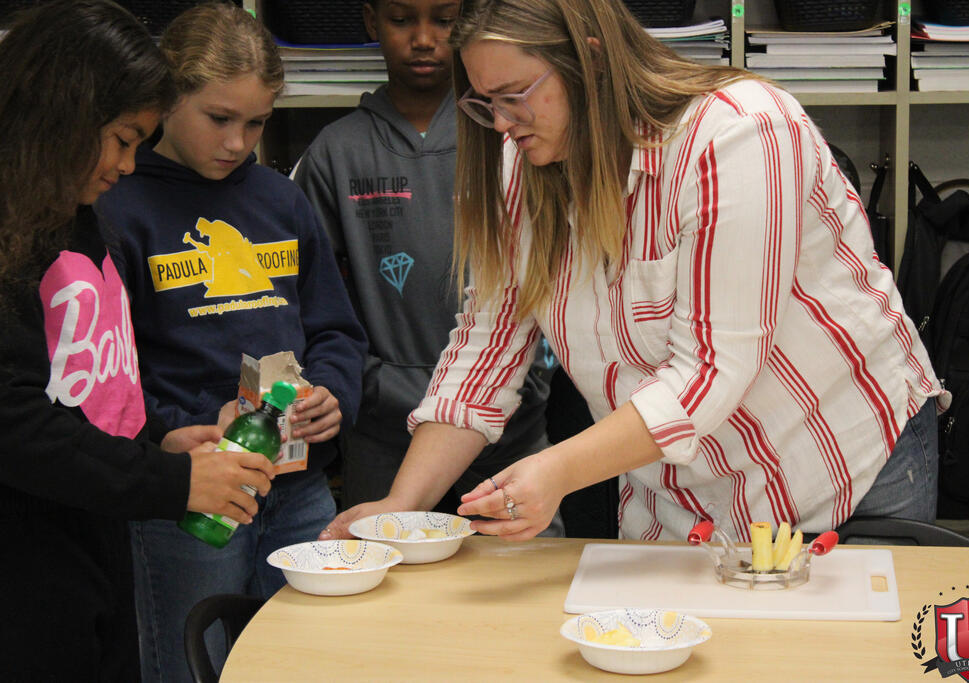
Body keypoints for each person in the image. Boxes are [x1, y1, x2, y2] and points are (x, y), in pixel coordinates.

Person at [321, 0, 949, 545]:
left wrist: (556, 472)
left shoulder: (738, 134)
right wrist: (400, 505)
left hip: (835, 466)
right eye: (487, 104)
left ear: (590, 62)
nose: (503, 125)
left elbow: (711, 370)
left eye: (513, 96)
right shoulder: (528, 165)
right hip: (683, 493)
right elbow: (485, 349)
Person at [0, 1, 278, 679]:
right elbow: (16, 420)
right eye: (122, 139)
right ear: (61, 118)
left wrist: (156, 439)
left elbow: (92, 385)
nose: (128, 165)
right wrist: (171, 479)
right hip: (24, 565)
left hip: (93, 542)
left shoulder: (76, 213)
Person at [94, 3, 367, 680]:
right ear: (167, 98)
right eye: (219, 118)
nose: (237, 141)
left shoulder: (281, 199)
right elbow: (106, 374)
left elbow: (335, 328)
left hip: (298, 483)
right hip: (191, 490)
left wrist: (334, 393)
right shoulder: (117, 205)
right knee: (196, 663)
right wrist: (172, 430)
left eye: (256, 122)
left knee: (315, 660)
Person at [294, 0, 559, 533]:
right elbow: (309, 301)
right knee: (384, 558)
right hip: (382, 428)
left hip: (511, 422)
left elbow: (542, 283)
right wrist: (367, 384)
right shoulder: (335, 152)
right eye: (402, 19)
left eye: (444, 20)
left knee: (524, 565)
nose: (423, 38)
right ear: (371, 20)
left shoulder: (511, 137)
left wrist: (532, 377)